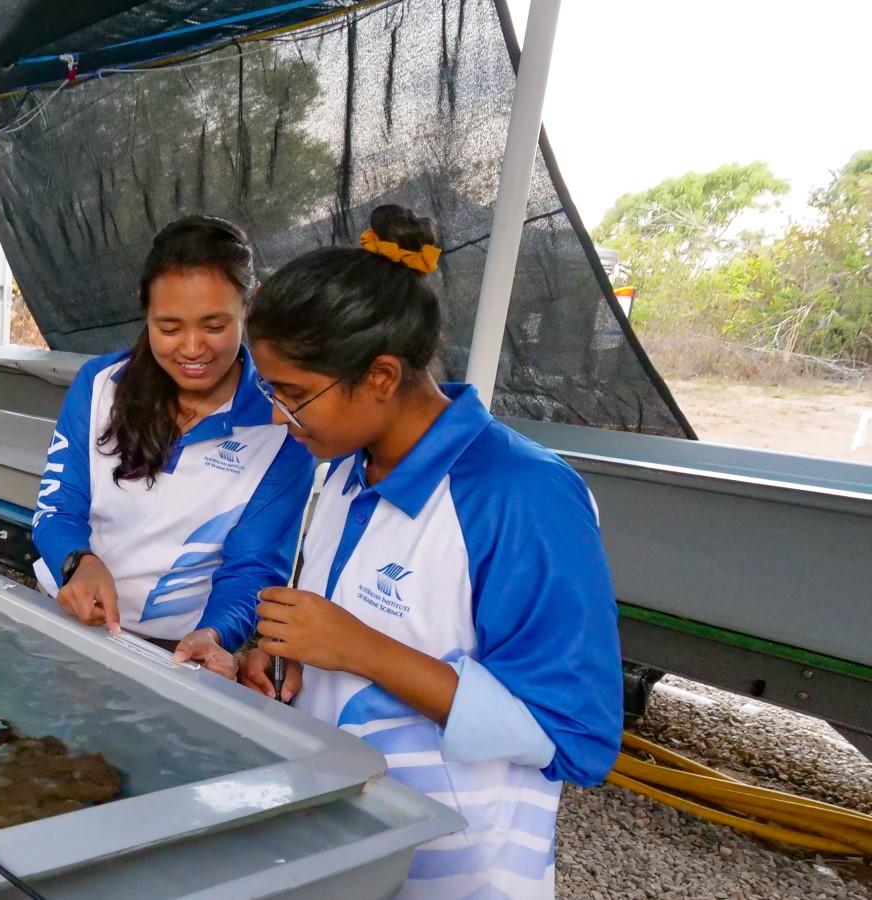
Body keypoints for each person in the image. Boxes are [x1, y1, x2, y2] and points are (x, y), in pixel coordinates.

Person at [236, 205, 621, 898]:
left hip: (459, 868)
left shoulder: (521, 496)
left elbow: (576, 735)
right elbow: (362, 631)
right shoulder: (346, 467)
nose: (276, 415)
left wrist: (357, 649)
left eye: (292, 393)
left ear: (381, 377)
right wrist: (288, 658)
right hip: (348, 843)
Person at [31, 215, 315, 677]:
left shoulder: (281, 425)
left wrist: (216, 633)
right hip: (69, 612)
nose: (191, 348)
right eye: (168, 328)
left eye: (214, 325)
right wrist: (75, 562)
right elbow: (58, 506)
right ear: (143, 310)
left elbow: (253, 567)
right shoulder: (101, 385)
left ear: (249, 307)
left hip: (176, 650)